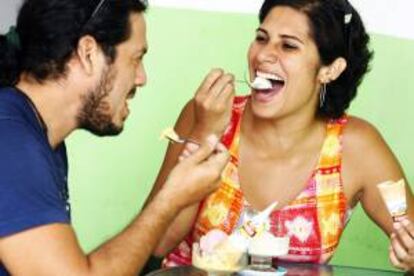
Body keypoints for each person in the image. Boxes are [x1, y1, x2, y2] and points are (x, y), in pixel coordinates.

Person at [146, 0, 414, 272]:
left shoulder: (357, 148)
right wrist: (205, 135)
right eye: (261, 39)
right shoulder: (206, 118)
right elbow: (155, 244)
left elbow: (411, 237)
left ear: (329, 69)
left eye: (288, 45)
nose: (263, 55)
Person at [0, 0, 233, 275]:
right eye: (136, 58)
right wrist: (169, 200)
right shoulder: (12, 144)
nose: (141, 78)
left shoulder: (39, 137)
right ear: (88, 53)